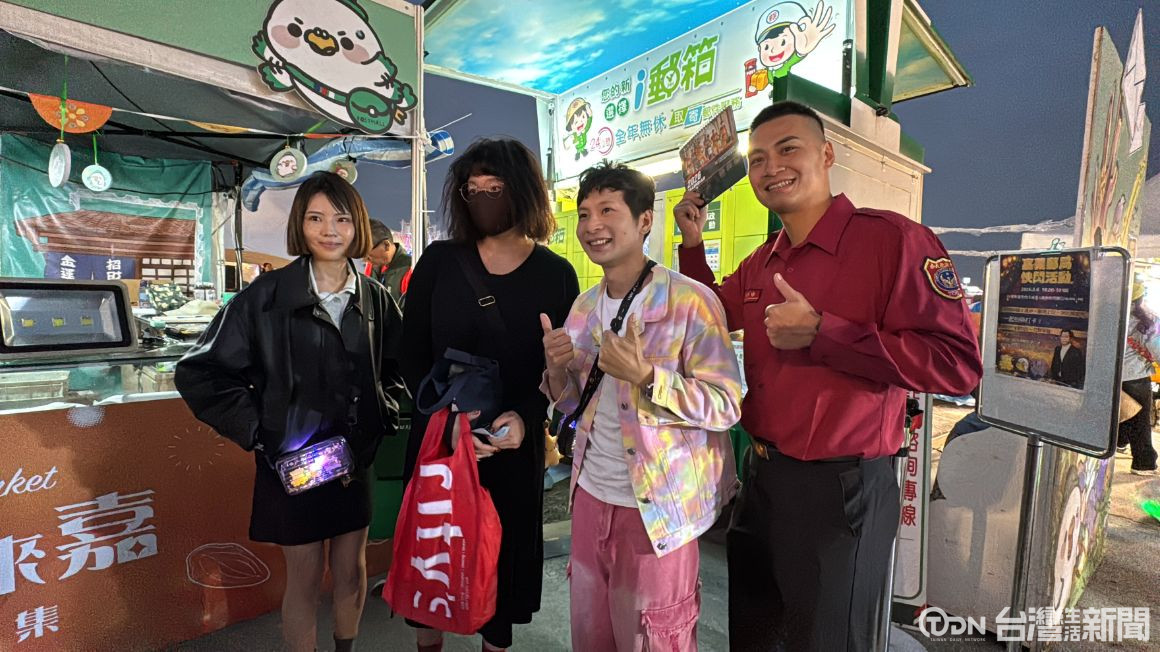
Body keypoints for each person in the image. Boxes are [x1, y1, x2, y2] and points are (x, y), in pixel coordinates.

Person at [673, 101, 982, 651]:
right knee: (755, 633)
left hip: (842, 494)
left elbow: (957, 365)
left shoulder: (892, 242)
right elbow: (711, 314)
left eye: (788, 149)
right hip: (761, 481)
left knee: (828, 640)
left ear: (827, 154)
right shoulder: (764, 260)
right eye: (758, 159)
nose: (771, 167)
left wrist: (824, 333)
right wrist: (692, 246)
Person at [175, 172, 405, 652]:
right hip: (293, 465)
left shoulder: (376, 298)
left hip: (353, 460)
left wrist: (380, 412)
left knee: (351, 570)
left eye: (341, 219)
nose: (329, 230)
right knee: (304, 576)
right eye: (315, 218)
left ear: (358, 225)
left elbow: (399, 369)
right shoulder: (266, 296)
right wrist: (261, 432)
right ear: (300, 224)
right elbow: (200, 372)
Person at [540, 162, 742, 651]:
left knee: (653, 639)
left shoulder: (690, 302)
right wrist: (556, 371)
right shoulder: (584, 308)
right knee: (592, 636)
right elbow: (574, 403)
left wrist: (649, 377)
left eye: (608, 210)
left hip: (660, 510)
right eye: (584, 214)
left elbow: (726, 404)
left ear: (645, 220)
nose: (592, 225)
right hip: (589, 496)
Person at [399, 138, 579, 652]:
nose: (481, 199)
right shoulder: (439, 261)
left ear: (521, 192)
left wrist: (526, 417)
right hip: (439, 440)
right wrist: (446, 420)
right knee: (431, 558)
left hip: (511, 447)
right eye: (471, 190)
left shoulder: (556, 275)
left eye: (494, 189)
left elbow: (557, 371)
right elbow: (410, 354)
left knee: (501, 566)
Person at [1119, 282, 1159, 475]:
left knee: (1121, 412)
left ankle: (1119, 442)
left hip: (1113, 376)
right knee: (1140, 421)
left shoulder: (1110, 315)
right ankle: (1143, 463)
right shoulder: (1147, 321)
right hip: (1136, 377)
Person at [366, 220, 413, 303]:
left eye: (368, 254)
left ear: (386, 245)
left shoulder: (409, 270)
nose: (365, 260)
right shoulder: (372, 265)